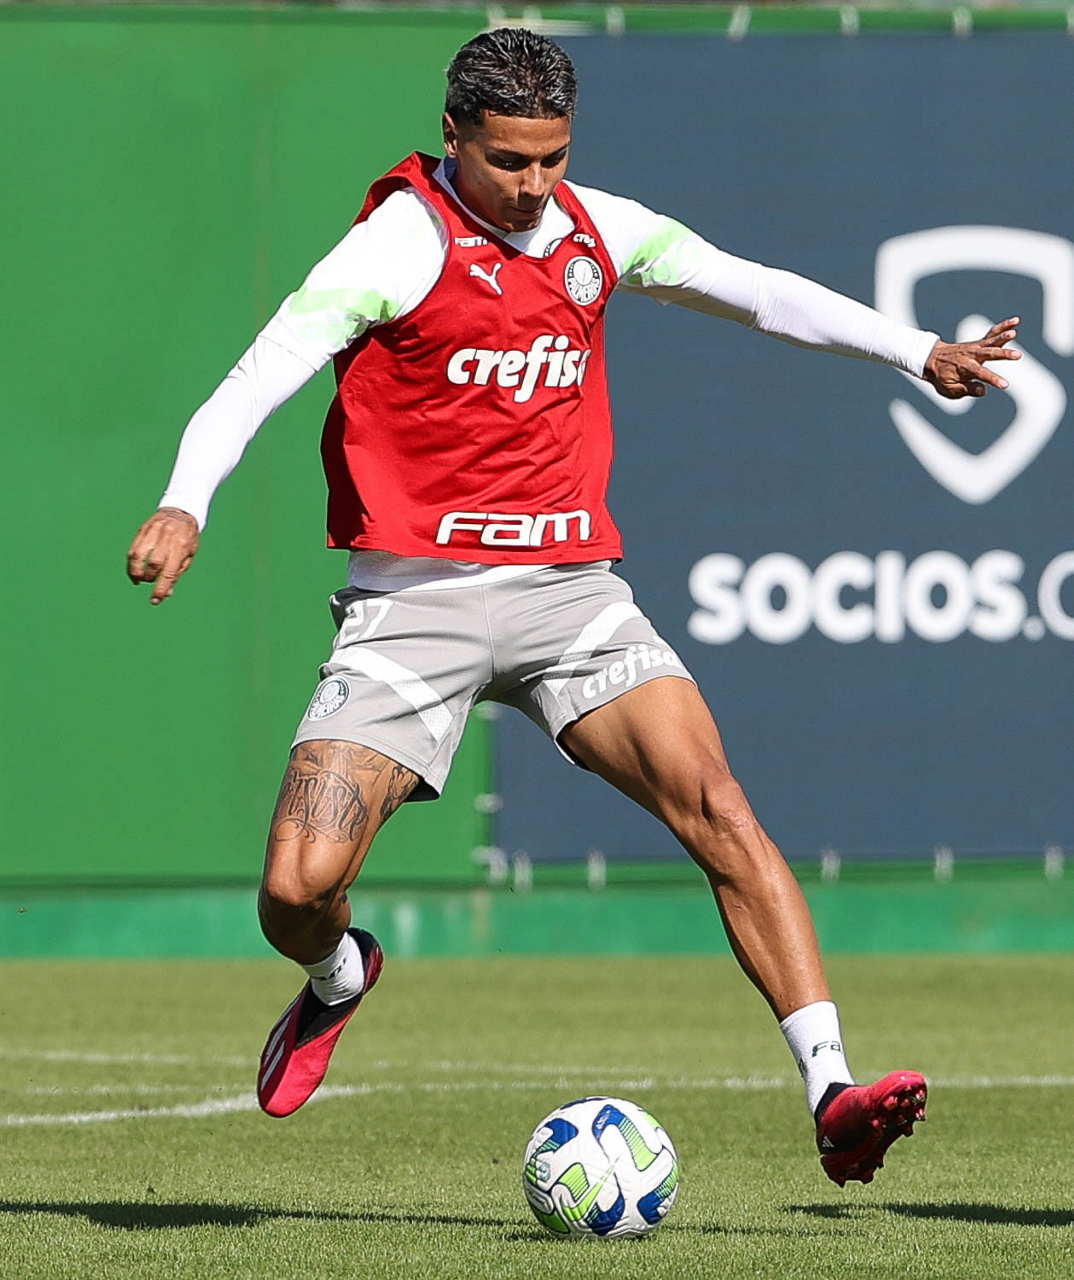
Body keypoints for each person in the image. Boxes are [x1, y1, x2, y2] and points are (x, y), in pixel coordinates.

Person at [127, 28, 1019, 1187]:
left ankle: (833, 1090)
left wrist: (917, 350)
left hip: (571, 595)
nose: (534, 183)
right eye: (509, 160)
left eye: (552, 157)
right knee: (296, 889)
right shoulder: (400, 241)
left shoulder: (598, 227)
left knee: (719, 806)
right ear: (453, 135)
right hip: (417, 600)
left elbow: (753, 289)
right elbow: (262, 373)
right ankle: (338, 974)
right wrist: (183, 501)